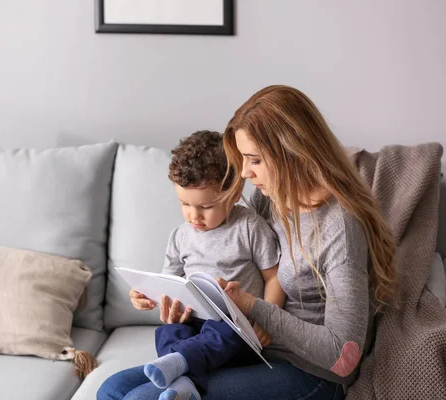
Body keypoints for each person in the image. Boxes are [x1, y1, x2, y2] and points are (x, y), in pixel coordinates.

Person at [97, 85, 398, 400]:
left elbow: (343, 357)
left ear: (293, 153)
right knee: (111, 389)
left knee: (138, 398)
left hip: (310, 372)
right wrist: (176, 296)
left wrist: (255, 308)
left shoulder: (339, 228)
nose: (243, 172)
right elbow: (232, 248)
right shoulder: (270, 198)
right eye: (242, 159)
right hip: (250, 349)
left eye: (254, 160)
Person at [131, 130, 284, 400]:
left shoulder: (249, 227)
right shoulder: (180, 235)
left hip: (236, 328)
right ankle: (183, 386)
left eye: (206, 206)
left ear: (234, 192)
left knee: (224, 330)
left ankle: (180, 367)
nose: (194, 215)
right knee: (167, 331)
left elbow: (274, 278)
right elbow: (169, 283)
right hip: (193, 325)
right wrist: (147, 295)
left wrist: (266, 320)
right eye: (184, 204)